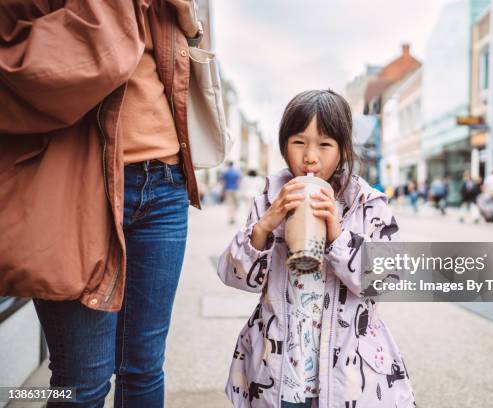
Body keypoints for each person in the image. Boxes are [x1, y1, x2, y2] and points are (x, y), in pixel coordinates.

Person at [1, 1, 205, 406]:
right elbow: (38, 65)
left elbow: (182, 80)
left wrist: (190, 26)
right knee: (81, 382)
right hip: (79, 187)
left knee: (144, 368)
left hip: (165, 184)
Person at [217, 90, 416, 408]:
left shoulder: (368, 205)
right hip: (279, 369)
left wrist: (338, 235)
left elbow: (387, 282)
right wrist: (266, 225)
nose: (310, 156)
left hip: (347, 377)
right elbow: (235, 275)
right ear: (284, 145)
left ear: (342, 149)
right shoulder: (270, 200)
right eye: (299, 142)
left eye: (324, 145)